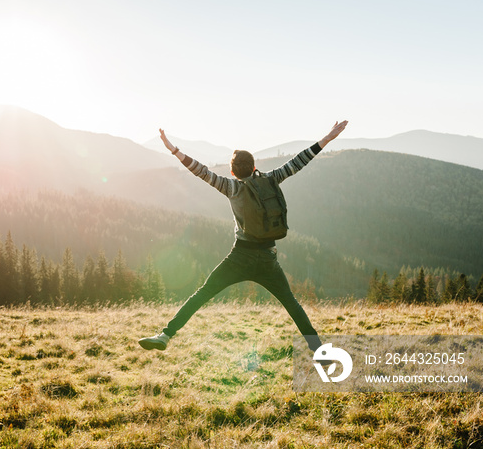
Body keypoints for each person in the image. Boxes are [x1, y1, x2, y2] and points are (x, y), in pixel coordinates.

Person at [139, 120, 349, 353]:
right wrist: (327, 138)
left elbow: (201, 171)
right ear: (254, 166)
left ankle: (166, 335)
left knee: (203, 293)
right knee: (291, 304)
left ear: (232, 172)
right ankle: (319, 351)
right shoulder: (271, 179)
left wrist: (174, 150)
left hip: (240, 257)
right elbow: (298, 161)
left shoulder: (231, 188)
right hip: (268, 258)